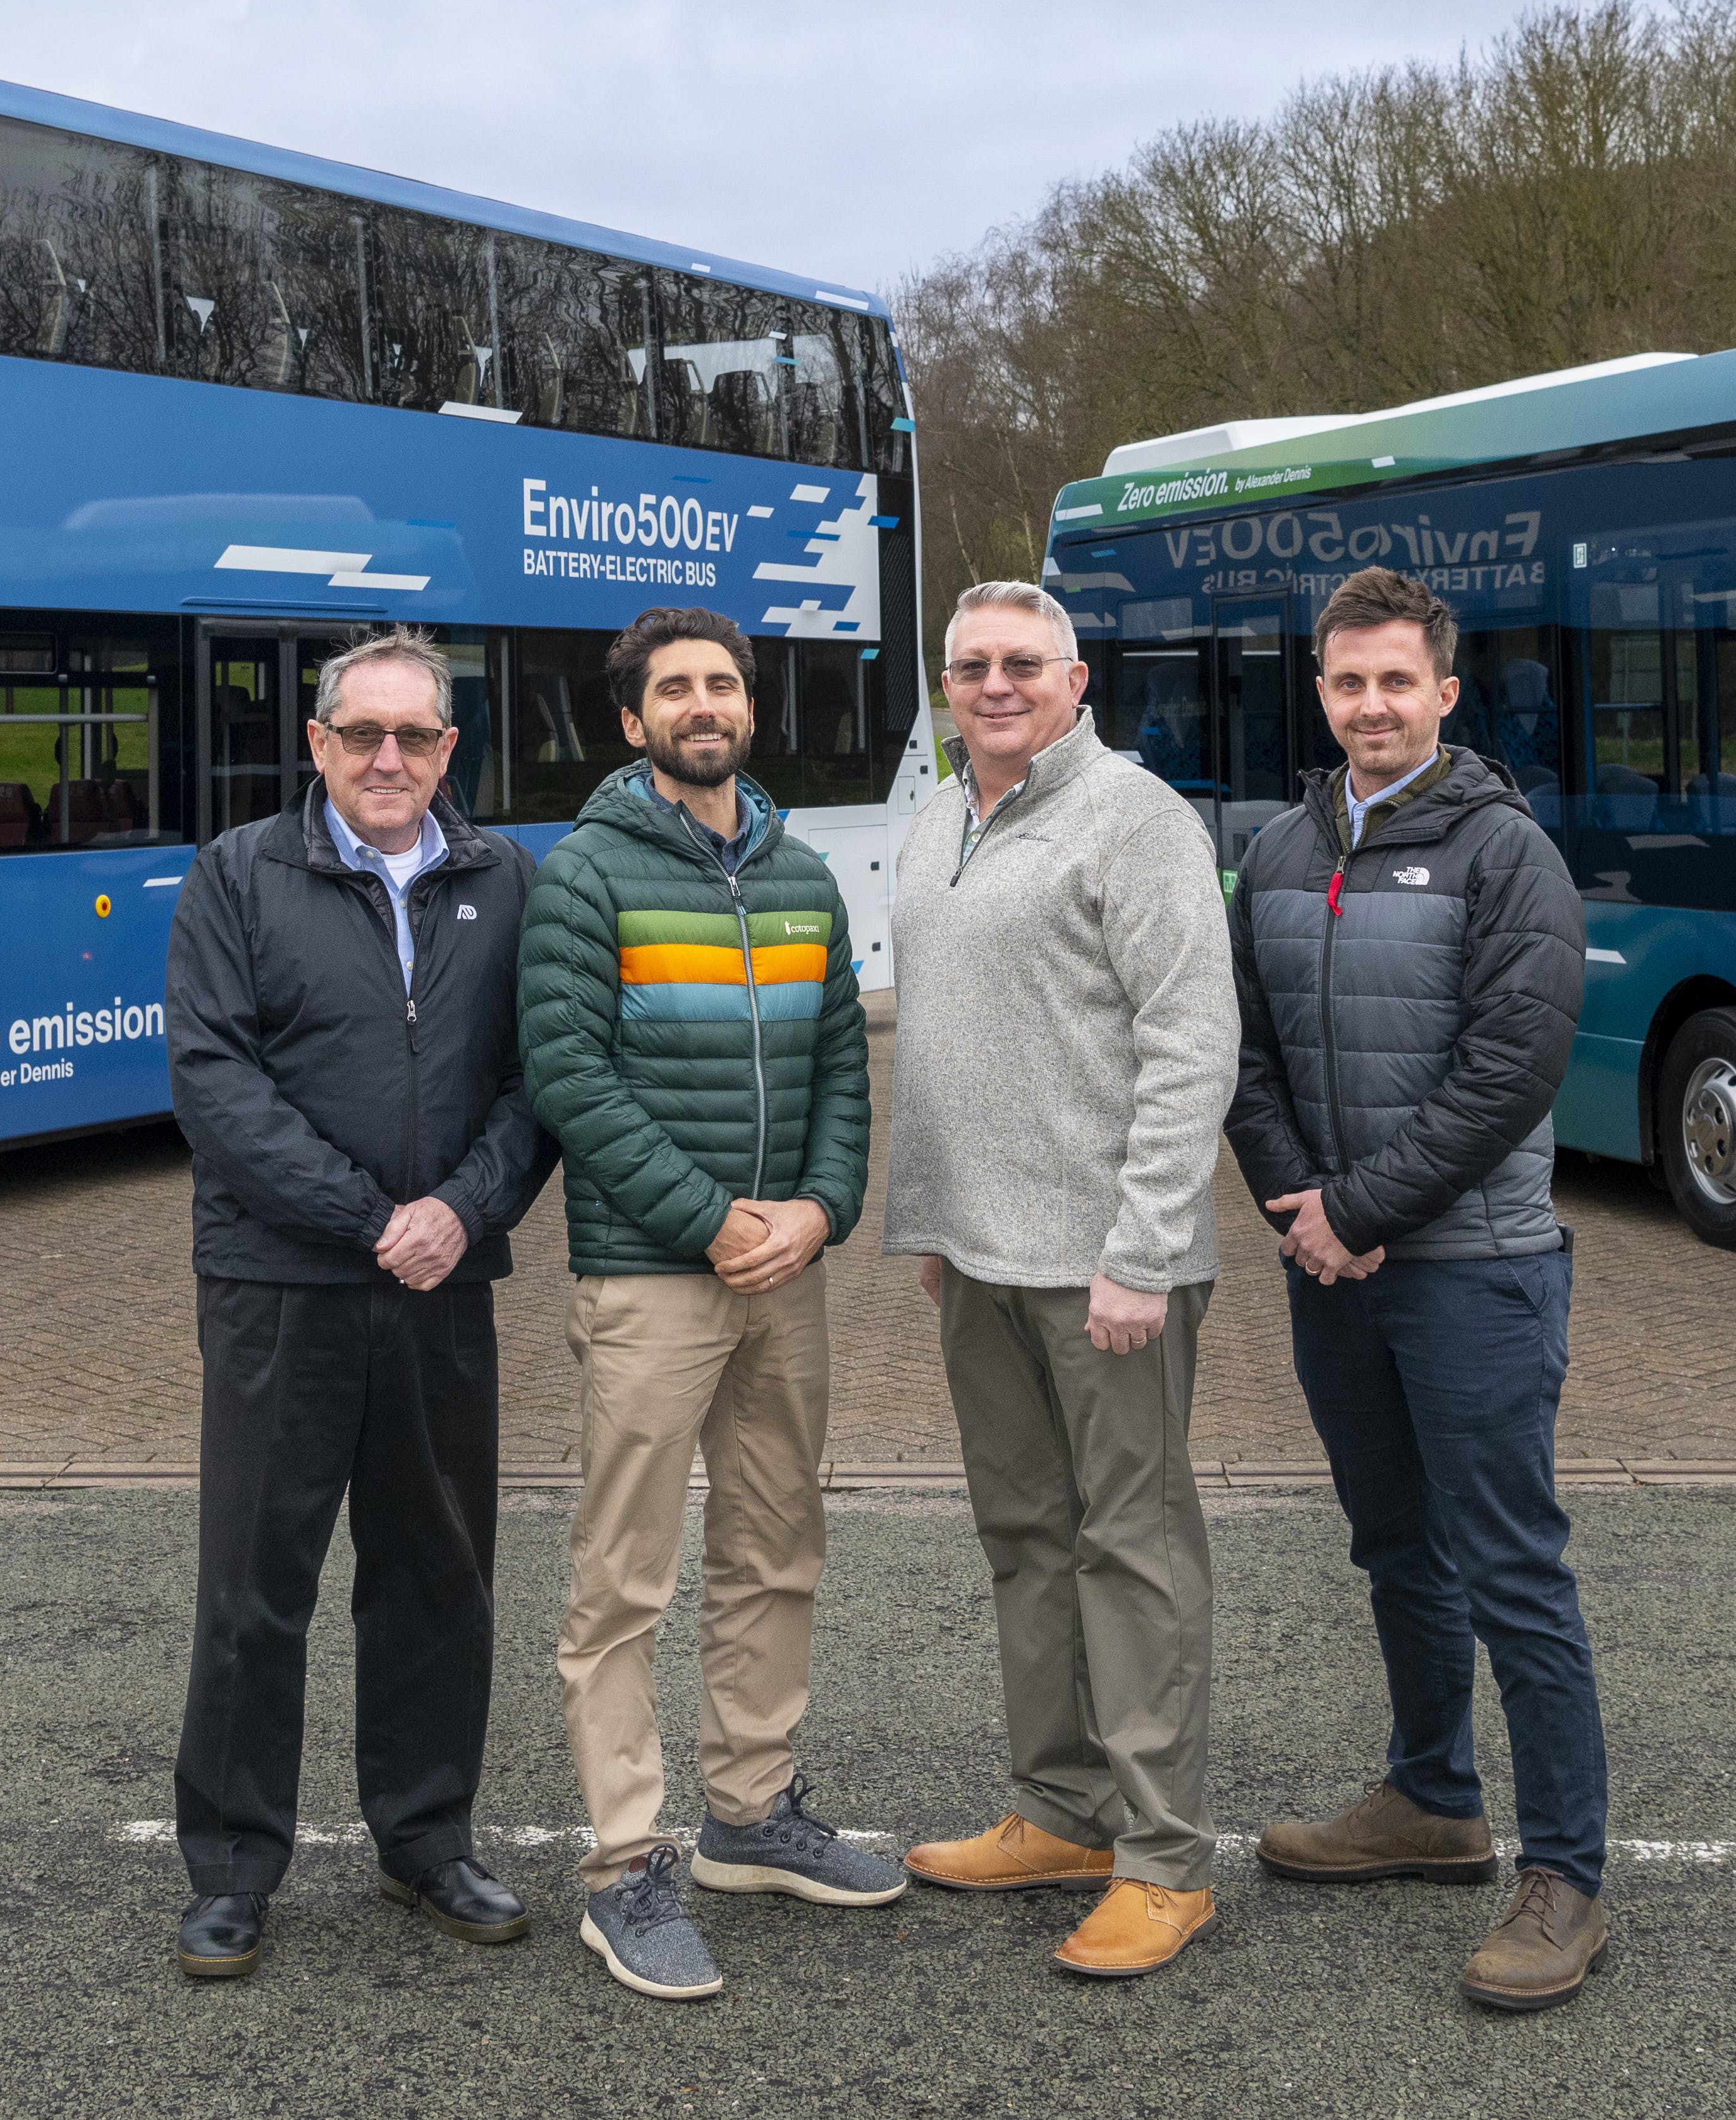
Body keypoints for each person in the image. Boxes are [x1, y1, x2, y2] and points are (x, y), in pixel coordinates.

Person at [1226, 565, 1609, 2011]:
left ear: (1445, 692)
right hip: (1331, 1266)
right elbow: (1243, 1053)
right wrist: (1302, 1207)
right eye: (1346, 682)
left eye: (1397, 680)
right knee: (1394, 1545)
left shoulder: (1506, 851)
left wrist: (1365, 1208)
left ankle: (1564, 1872)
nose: (1369, 704)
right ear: (1317, 693)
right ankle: (1432, 1796)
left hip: (1476, 1270)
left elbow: (1512, 1067)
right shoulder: (1273, 848)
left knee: (1512, 1570)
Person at [517, 606, 897, 2003]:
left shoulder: (803, 873)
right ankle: (623, 1866)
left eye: (721, 681)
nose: (700, 701)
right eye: (671, 686)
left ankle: (750, 1811)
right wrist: (708, 1217)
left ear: (750, 705)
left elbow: (843, 1074)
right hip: (648, 1274)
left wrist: (814, 1210)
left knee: (774, 1540)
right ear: (630, 720)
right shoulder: (584, 875)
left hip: (779, 1275)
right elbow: (567, 1075)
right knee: (622, 1578)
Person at [162, 626, 551, 1981]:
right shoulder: (236, 875)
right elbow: (214, 1084)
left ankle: (425, 1835)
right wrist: (369, 1216)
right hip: (281, 1287)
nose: (388, 757)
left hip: (444, 1283)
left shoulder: (505, 879)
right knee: (253, 1589)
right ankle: (228, 1866)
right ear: (317, 745)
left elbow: (533, 1079)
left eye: (416, 735)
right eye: (361, 733)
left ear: (448, 751)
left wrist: (464, 1208)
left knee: (436, 1573)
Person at [882, 578, 1242, 1980]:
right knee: (1025, 1538)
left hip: (1107, 1269)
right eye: (969, 663)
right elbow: (945, 1039)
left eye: (1021, 663)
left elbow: (1188, 1041)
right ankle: (1058, 1805)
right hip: (974, 1256)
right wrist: (930, 1220)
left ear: (1075, 679)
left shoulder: (1134, 818)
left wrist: (1143, 1247)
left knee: (1130, 1547)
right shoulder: (934, 821)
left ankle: (1161, 1858)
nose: (992, 683)